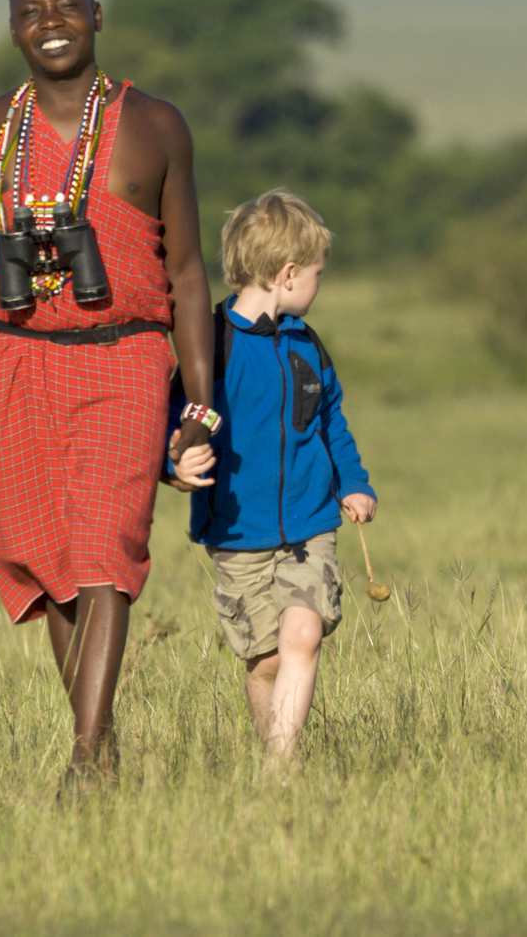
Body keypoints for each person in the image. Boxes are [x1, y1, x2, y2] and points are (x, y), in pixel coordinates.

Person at [0, 0, 216, 786]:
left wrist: (199, 405)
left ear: (97, 15)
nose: (49, 21)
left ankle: (85, 756)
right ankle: (102, 734)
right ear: (11, 26)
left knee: (101, 551)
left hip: (125, 357)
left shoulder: (154, 123)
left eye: (64, 6)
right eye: (29, 9)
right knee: (44, 556)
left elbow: (189, 272)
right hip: (18, 363)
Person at [170, 190, 377, 766]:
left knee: (302, 637)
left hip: (310, 524)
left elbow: (331, 421)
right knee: (265, 662)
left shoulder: (306, 345)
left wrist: (353, 484)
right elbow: (176, 424)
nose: (317, 287)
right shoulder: (208, 345)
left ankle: (279, 773)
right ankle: (278, 755)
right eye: (315, 275)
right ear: (288, 275)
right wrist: (177, 466)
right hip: (237, 535)